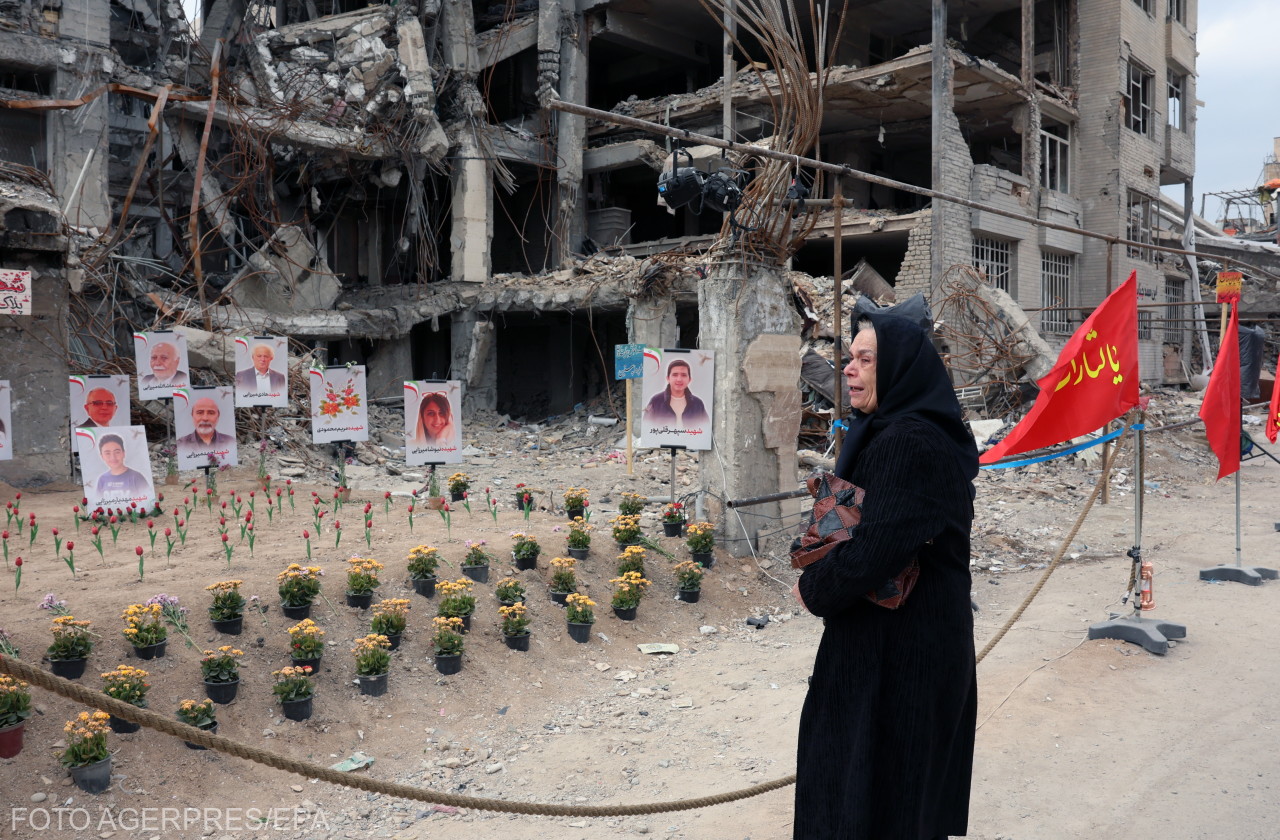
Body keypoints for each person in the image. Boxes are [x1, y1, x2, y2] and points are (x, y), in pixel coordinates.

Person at [791, 311, 979, 840]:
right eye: (849, 358)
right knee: (887, 799)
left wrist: (813, 587)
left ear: (898, 367)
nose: (849, 369)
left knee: (877, 801)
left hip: (899, 659)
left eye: (865, 359)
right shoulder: (895, 430)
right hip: (903, 648)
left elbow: (875, 551)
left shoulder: (910, 442)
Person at [641, 359, 708, 427]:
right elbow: (647, 429)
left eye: (684, 375)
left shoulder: (698, 404)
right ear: (668, 378)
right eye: (675, 375)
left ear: (689, 379)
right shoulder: (656, 401)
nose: (679, 379)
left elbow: (706, 429)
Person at [94, 434, 151, 499]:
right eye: (107, 453)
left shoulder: (136, 477)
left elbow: (148, 502)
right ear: (102, 456)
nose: (113, 457)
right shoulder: (102, 479)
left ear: (123, 453)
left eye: (117, 452)